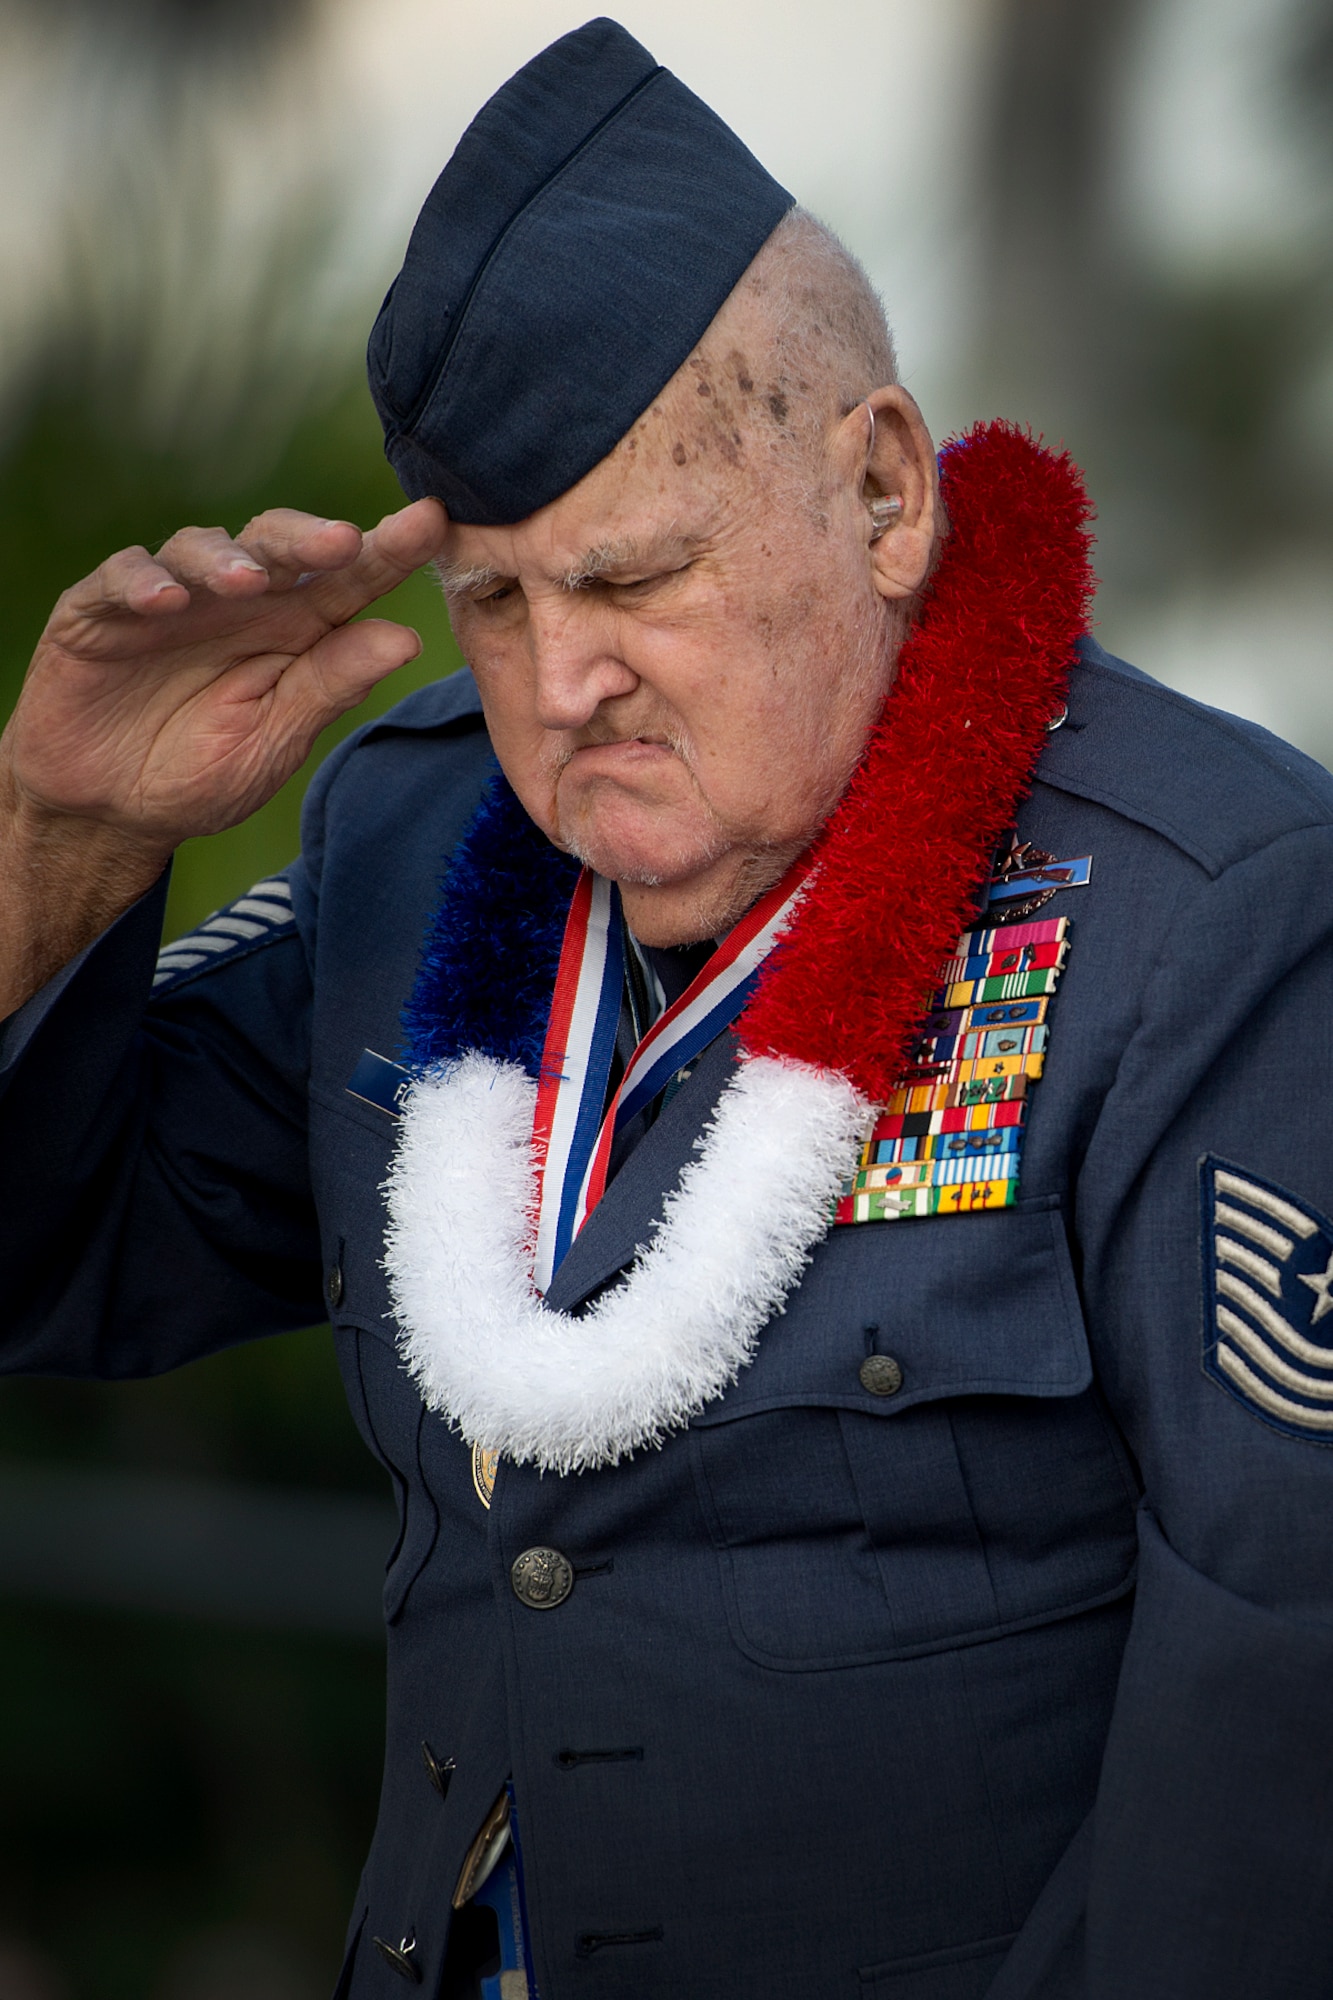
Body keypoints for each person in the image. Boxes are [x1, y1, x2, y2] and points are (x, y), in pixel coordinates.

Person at [2, 18, 1332, 1999]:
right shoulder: (413, 833)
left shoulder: (1202, 908)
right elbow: (57, 1261)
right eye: (504, 600)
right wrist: (63, 830)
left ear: (882, 487)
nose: (560, 690)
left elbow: (1276, 1698)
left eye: (630, 580)